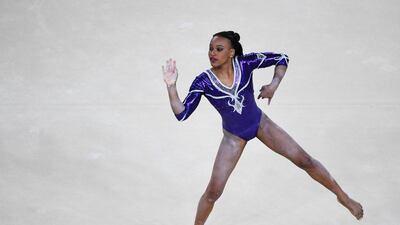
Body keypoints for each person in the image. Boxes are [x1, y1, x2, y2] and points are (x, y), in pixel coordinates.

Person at [162, 31, 363, 225]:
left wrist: (273, 85)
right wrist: (171, 86)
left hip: (260, 124)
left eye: (219, 49)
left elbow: (282, 58)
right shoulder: (204, 81)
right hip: (233, 138)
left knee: (305, 160)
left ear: (231, 52)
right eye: (210, 49)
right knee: (213, 192)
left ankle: (342, 196)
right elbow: (182, 113)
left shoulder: (245, 63)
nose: (212, 53)